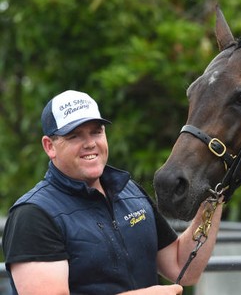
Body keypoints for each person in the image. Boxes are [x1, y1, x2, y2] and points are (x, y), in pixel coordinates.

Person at [2, 90, 224, 295]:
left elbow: (181, 267)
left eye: (96, 132)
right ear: (49, 146)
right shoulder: (33, 215)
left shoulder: (130, 192)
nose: (90, 143)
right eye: (75, 136)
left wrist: (213, 198)